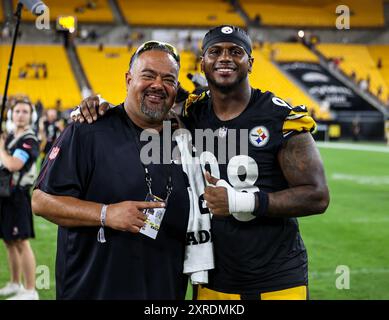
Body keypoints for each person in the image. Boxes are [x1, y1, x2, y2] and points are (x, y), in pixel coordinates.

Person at [72, 25, 330, 300]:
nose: (225, 58)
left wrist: (241, 202)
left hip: (275, 278)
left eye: (236, 52)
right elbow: (150, 95)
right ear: (203, 63)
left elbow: (316, 196)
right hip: (209, 278)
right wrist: (98, 104)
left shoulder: (279, 116)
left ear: (251, 63)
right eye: (215, 51)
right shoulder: (192, 111)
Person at [31, 42, 191, 299]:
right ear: (128, 79)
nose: (158, 85)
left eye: (168, 79)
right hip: (93, 291)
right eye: (148, 75)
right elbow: (41, 201)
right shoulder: (88, 129)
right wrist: (106, 213)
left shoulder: (186, 139)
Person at [0, 100, 40, 300]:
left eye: (25, 111)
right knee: (9, 241)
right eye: (17, 111)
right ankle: (15, 283)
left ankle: (30, 290)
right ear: (11, 114)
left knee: (22, 241)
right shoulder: (10, 138)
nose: (21, 115)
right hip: (5, 195)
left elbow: (14, 164)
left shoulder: (29, 140)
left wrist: (0, 147)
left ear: (31, 116)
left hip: (18, 196)